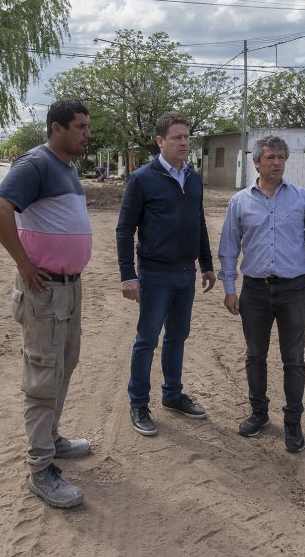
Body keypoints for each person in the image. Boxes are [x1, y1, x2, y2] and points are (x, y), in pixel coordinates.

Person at [0, 100, 93, 509]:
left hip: (70, 288)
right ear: (56, 128)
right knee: (42, 375)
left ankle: (51, 439)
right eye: (80, 127)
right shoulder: (35, 163)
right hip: (45, 291)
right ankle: (40, 470)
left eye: (87, 127)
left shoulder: (67, 166)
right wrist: (23, 262)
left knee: (63, 365)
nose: (87, 134)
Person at [217, 135, 305, 453]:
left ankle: (293, 424)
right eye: (270, 157)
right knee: (255, 355)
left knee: (294, 359)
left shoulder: (302, 198)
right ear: (256, 162)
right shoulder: (240, 202)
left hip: (293, 290)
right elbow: (229, 249)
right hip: (255, 292)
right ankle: (258, 414)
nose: (277, 163)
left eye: (281, 157)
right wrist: (230, 288)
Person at [116, 113, 216, 436]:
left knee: (178, 336)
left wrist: (207, 264)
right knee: (147, 340)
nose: (184, 143)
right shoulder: (143, 178)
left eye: (187, 137)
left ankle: (172, 395)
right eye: (177, 138)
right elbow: (124, 229)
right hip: (154, 275)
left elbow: (198, 222)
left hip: (185, 275)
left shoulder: (194, 178)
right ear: (160, 141)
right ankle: (139, 403)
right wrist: (128, 274)